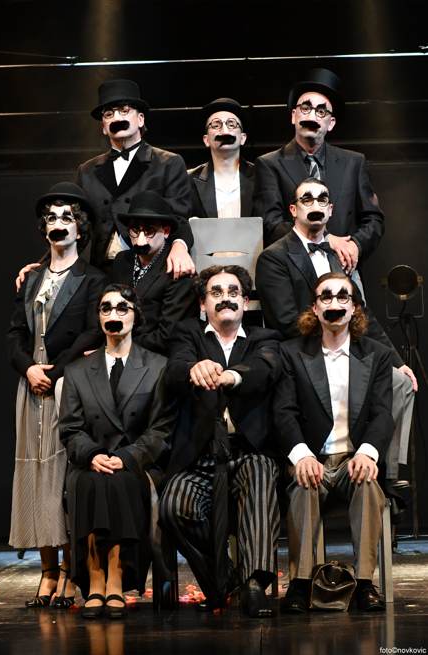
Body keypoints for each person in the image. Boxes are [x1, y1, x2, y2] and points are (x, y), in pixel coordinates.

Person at [256, 177, 416, 481]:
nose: (315, 205)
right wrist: (334, 339)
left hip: (344, 344)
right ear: (293, 209)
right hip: (302, 353)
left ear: (330, 210)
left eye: (322, 200)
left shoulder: (337, 255)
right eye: (307, 200)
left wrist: (397, 361)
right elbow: (284, 320)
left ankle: (385, 472)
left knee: (402, 382)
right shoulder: (274, 256)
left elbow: (361, 311)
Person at [159, 265, 282, 618]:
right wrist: (193, 369)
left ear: (245, 301)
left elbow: (266, 367)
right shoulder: (188, 333)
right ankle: (226, 579)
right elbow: (175, 368)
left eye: (232, 292)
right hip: (200, 455)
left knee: (261, 472)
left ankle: (254, 585)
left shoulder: (264, 338)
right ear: (203, 304)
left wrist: (232, 376)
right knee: (173, 507)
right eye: (216, 292)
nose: (225, 298)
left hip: (248, 451)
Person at [7, 182, 106, 608]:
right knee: (32, 473)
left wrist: (54, 370)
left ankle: (68, 571)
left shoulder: (92, 278)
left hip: (66, 383)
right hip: (31, 385)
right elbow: (15, 333)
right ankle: (46, 571)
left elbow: (90, 332)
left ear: (80, 228)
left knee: (62, 476)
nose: (58, 224)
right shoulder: (31, 277)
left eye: (67, 217)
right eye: (51, 217)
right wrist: (27, 368)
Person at [275, 271, 394, 612]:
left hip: (352, 459)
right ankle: (299, 584)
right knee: (304, 483)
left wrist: (368, 453)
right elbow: (283, 412)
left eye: (343, 297)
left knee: (367, 483)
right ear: (314, 307)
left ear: (354, 307)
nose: (335, 303)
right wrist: (301, 456)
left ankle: (365, 584)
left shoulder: (376, 354)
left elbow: (382, 414)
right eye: (326, 296)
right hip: (312, 457)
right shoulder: (291, 352)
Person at [59, 284, 177, 619]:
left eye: (122, 308)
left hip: (136, 462)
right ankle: (95, 578)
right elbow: (70, 428)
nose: (114, 314)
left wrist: (125, 457)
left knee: (119, 481)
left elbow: (161, 427)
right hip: (91, 461)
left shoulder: (158, 366)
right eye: (106, 308)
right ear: (99, 318)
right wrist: (92, 455)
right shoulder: (77, 370)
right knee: (88, 481)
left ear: (135, 317)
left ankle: (116, 575)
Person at [16, 79, 195, 288]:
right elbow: (74, 223)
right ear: (103, 127)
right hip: (102, 271)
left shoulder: (168, 163)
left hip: (151, 268)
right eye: (109, 114)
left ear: (140, 119)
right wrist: (43, 265)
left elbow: (179, 216)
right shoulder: (87, 170)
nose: (117, 118)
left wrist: (180, 247)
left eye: (124, 111)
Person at [253, 68, 385, 275]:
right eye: (305, 108)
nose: (312, 116)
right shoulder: (270, 164)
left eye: (321, 111)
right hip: (295, 270)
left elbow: (373, 219)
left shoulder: (354, 162)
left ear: (330, 123)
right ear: (293, 115)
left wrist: (354, 246)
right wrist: (324, 240)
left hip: (344, 269)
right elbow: (270, 224)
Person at [112, 191, 197, 355]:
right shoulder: (122, 260)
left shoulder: (178, 270)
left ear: (166, 231)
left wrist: (118, 346)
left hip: (158, 357)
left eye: (149, 231)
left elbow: (167, 337)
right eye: (134, 230)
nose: (140, 240)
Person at [189, 98, 254, 219]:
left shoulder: (261, 177)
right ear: (206, 140)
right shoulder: (188, 181)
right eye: (216, 125)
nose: (224, 132)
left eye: (231, 124)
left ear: (243, 138)